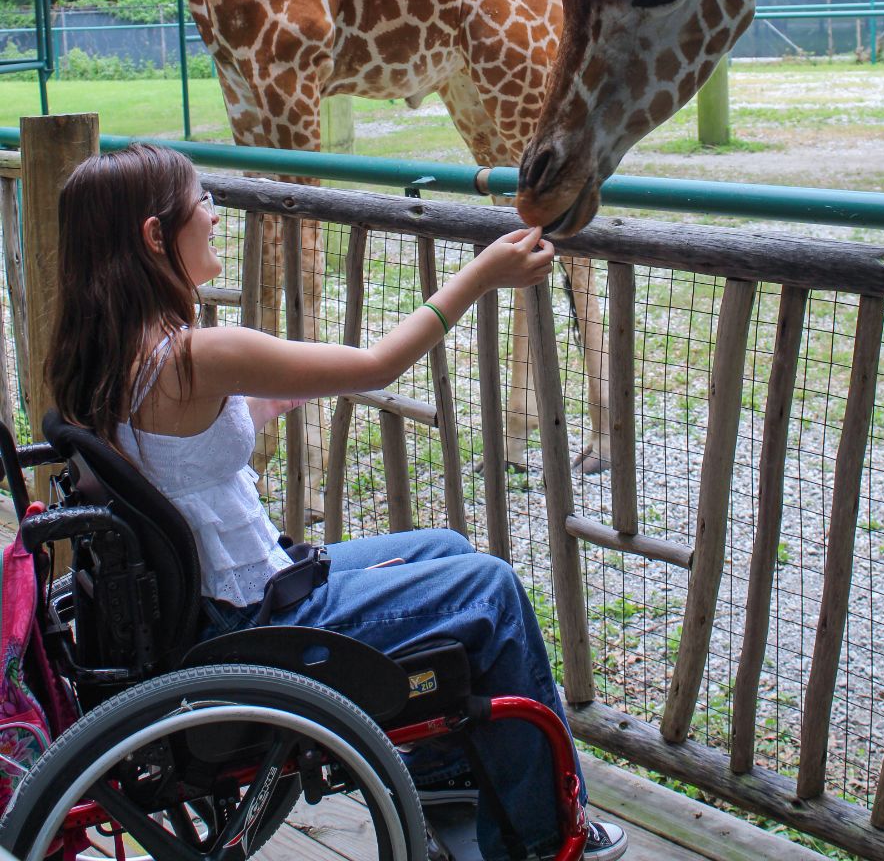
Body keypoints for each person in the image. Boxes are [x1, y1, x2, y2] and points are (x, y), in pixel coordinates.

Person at [45, 144, 626, 861]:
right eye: (203, 203)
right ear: (153, 236)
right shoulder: (196, 355)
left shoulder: (100, 355)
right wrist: (482, 273)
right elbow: (379, 364)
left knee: (445, 548)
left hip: (207, 605)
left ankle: (442, 770)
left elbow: (171, 456)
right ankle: (543, 837)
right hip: (252, 619)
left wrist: (254, 412)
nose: (217, 215)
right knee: (491, 588)